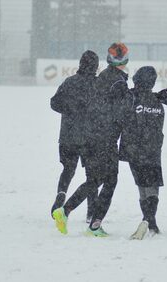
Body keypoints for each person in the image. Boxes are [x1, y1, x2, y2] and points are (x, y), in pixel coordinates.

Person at [53, 42, 130, 237]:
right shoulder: (118, 82)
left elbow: (94, 105)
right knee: (109, 181)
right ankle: (94, 224)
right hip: (106, 138)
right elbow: (123, 110)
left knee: (94, 179)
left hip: (90, 136)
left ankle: (66, 210)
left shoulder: (102, 78)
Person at [119, 66, 167, 239]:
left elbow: (122, 117)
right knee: (152, 188)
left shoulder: (131, 98)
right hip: (152, 150)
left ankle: (149, 221)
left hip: (134, 150)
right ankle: (150, 221)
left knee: (142, 187)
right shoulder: (158, 103)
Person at [50, 50, 99, 222]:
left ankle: (61, 194)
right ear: (96, 66)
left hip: (68, 136)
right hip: (90, 138)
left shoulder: (69, 82)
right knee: (92, 176)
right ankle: (91, 212)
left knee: (68, 169)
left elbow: (54, 103)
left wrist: (70, 109)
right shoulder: (98, 84)